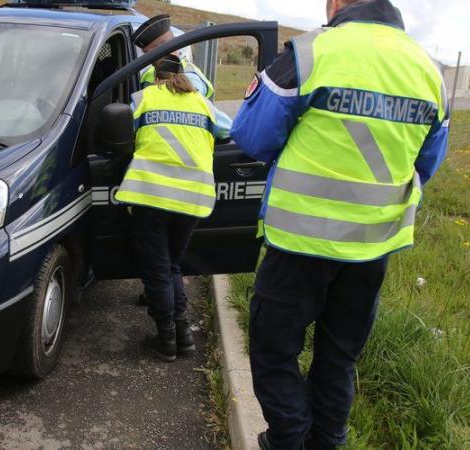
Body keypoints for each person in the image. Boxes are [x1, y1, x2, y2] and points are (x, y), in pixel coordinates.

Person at [230, 0, 448, 449]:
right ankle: (328, 442)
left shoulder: (311, 54)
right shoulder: (429, 70)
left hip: (299, 243)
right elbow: (426, 164)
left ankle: (289, 439)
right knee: (338, 358)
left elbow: (252, 135)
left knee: (274, 353)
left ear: (336, 2)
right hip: (372, 248)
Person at [115, 55, 223, 362]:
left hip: (153, 195)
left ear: (155, 77)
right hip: (193, 199)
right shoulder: (203, 103)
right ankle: (184, 336)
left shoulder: (143, 97)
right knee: (173, 265)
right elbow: (226, 133)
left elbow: (122, 135)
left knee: (158, 270)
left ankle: (166, 339)